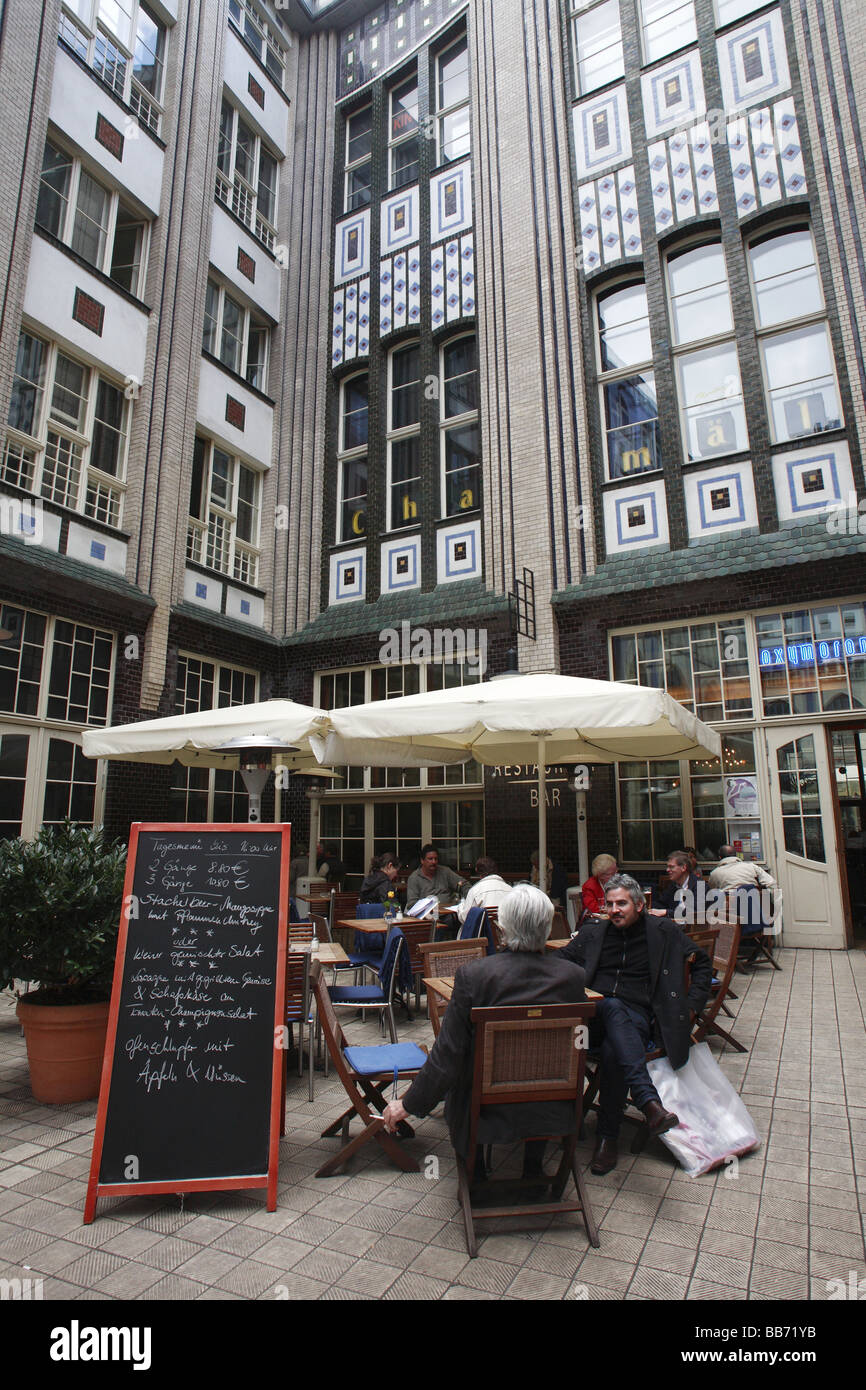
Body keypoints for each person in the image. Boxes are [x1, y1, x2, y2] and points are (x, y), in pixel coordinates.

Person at [382, 885, 586, 1181]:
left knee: (468, 1061)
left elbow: (448, 1053)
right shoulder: (572, 977)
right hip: (550, 1106)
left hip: (485, 1109)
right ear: (547, 927)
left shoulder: (475, 976)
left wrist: (409, 1103)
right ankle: (533, 1168)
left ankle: (474, 1172)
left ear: (502, 929)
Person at [557, 873, 712, 1175]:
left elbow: (702, 962)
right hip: (591, 1021)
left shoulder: (663, 931)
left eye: (622, 904)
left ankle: (608, 1137)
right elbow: (561, 958)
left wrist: (691, 1007)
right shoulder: (594, 932)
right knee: (612, 1006)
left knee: (615, 1051)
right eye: (610, 904)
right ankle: (647, 1103)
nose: (614, 910)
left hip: (638, 1017)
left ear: (639, 905)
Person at [708, 845, 780, 929]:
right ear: (736, 855)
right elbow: (771, 883)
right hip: (755, 907)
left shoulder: (715, 873)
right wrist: (775, 905)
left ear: (720, 857)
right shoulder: (751, 866)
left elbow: (712, 891)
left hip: (732, 913)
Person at [405, 844, 464, 909]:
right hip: (426, 914)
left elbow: (463, 884)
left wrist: (470, 899)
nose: (434, 862)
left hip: (448, 912)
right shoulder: (414, 878)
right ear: (422, 860)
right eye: (430, 859)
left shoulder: (445, 872)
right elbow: (412, 904)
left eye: (436, 859)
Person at [456, 856, 511, 923]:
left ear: (478, 872)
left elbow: (466, 918)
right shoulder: (510, 890)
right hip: (506, 929)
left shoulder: (475, 890)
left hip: (483, 929)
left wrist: (460, 906)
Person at [650, 851, 700, 918]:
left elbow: (694, 912)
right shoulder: (673, 886)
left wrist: (666, 912)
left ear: (683, 868)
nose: (667, 870)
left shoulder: (699, 886)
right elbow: (661, 904)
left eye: (671, 867)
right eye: (668, 867)